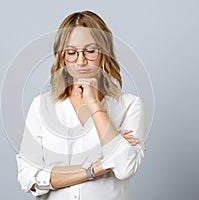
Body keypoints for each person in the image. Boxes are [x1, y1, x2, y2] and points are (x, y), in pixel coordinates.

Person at [16, 10, 146, 200]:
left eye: (91, 51)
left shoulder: (129, 106)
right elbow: (28, 177)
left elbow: (125, 168)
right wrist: (96, 168)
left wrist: (94, 104)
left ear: (104, 52)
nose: (81, 61)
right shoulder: (41, 106)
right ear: (62, 57)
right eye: (72, 52)